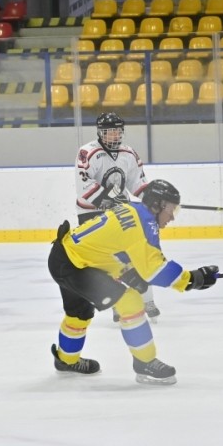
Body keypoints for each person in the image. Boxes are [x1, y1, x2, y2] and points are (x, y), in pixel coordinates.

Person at [48, 179, 219, 385]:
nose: (173, 217)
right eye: (171, 210)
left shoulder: (133, 209)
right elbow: (156, 271)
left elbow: (115, 246)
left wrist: (128, 272)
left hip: (64, 255)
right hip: (76, 267)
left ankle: (66, 360)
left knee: (79, 313)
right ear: (157, 205)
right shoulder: (144, 226)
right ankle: (145, 363)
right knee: (130, 302)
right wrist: (193, 279)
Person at [75, 111, 162, 322]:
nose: (114, 135)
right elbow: (84, 185)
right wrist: (109, 200)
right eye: (109, 131)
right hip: (91, 213)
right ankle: (118, 303)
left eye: (117, 131)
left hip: (119, 211)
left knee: (134, 252)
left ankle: (148, 300)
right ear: (100, 132)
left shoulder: (129, 154)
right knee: (108, 261)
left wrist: (152, 199)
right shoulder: (88, 152)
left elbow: (137, 183)